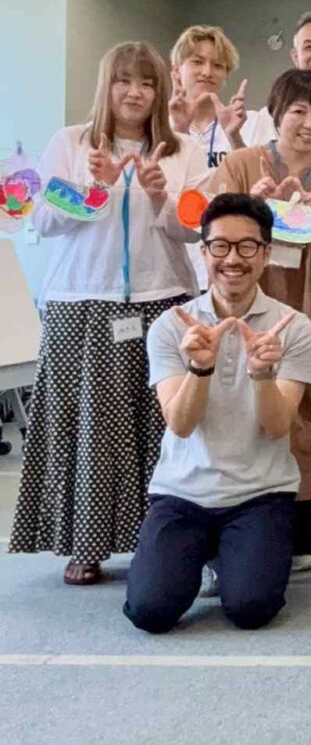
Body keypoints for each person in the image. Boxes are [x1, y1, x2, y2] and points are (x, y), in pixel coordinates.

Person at [9, 42, 209, 586]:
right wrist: (95, 188)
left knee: (163, 427)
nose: (135, 93)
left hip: (164, 298)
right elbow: (43, 221)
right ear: (106, 85)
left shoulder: (184, 150)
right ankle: (86, 545)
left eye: (146, 82)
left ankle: (162, 544)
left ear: (161, 90)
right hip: (81, 301)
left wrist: (161, 196)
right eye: (124, 80)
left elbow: (195, 230)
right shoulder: (70, 143)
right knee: (88, 429)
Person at [123, 193, 311, 632]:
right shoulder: (172, 325)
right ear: (204, 251)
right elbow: (180, 424)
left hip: (260, 492)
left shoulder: (294, 327)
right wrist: (200, 368)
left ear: (266, 253)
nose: (233, 259)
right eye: (220, 246)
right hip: (182, 491)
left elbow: (277, 426)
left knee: (251, 609)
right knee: (150, 612)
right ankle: (205, 554)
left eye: (247, 246)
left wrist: (263, 374)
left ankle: (229, 555)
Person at [211, 69, 311, 572]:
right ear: (275, 114)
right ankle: (239, 522)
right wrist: (255, 209)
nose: (310, 123)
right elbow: (215, 235)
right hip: (247, 304)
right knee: (241, 404)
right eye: (298, 110)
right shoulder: (240, 164)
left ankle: (298, 526)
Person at [241, 10, 311, 145]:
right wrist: (233, 135)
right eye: (309, 47)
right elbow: (258, 156)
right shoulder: (272, 113)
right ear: (295, 57)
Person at [168, 24, 251, 169]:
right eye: (197, 62)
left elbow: (257, 179)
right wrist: (178, 131)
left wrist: (234, 137)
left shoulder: (248, 123)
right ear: (176, 72)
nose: (207, 72)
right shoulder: (157, 126)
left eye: (217, 65)